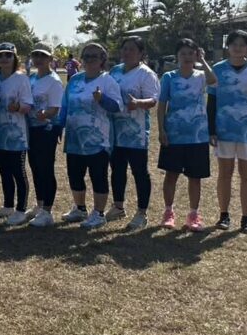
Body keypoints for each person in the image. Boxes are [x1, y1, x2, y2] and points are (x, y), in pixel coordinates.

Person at [209, 29, 247, 233]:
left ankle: (246, 218)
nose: (238, 48)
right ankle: (223, 215)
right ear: (228, 47)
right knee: (224, 174)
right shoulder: (218, 69)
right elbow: (212, 100)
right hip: (224, 129)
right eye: (234, 44)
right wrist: (211, 129)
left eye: (242, 45)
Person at [58, 42, 123, 229]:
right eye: (86, 56)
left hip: (98, 140)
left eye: (94, 56)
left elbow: (117, 107)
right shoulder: (75, 80)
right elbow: (65, 105)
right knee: (75, 174)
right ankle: (80, 209)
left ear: (103, 59)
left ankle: (99, 213)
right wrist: (59, 126)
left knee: (98, 175)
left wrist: (102, 99)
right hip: (74, 138)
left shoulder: (107, 81)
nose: (89, 59)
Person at [157, 39, 217, 231]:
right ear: (177, 56)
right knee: (171, 174)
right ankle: (168, 212)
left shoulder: (201, 76)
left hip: (197, 136)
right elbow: (162, 105)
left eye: (191, 53)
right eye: (183, 53)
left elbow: (213, 80)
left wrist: (203, 60)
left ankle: (193, 215)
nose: (187, 57)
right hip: (174, 134)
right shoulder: (169, 77)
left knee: (195, 177)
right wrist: (161, 129)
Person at [108, 36, 161, 230]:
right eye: (125, 49)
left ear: (141, 53)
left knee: (139, 171)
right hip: (115, 131)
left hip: (136, 133)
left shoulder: (146, 74)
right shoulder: (115, 71)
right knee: (117, 169)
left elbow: (153, 100)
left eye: (132, 49)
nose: (127, 52)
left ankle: (141, 213)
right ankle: (118, 206)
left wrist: (138, 103)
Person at [0, 42, 35, 226]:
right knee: (4, 170)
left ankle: (21, 210)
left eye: (8, 55)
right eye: (0, 55)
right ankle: (8, 205)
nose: (4, 58)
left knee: (18, 171)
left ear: (15, 58)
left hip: (16, 135)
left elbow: (28, 104)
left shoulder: (21, 79)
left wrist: (18, 107)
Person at [26, 42, 64, 227]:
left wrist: (45, 114)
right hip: (32, 129)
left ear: (50, 58)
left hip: (47, 130)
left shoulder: (54, 81)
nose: (39, 59)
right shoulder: (32, 78)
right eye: (36, 55)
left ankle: (47, 211)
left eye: (43, 55)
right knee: (35, 167)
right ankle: (40, 204)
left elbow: (55, 108)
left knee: (46, 168)